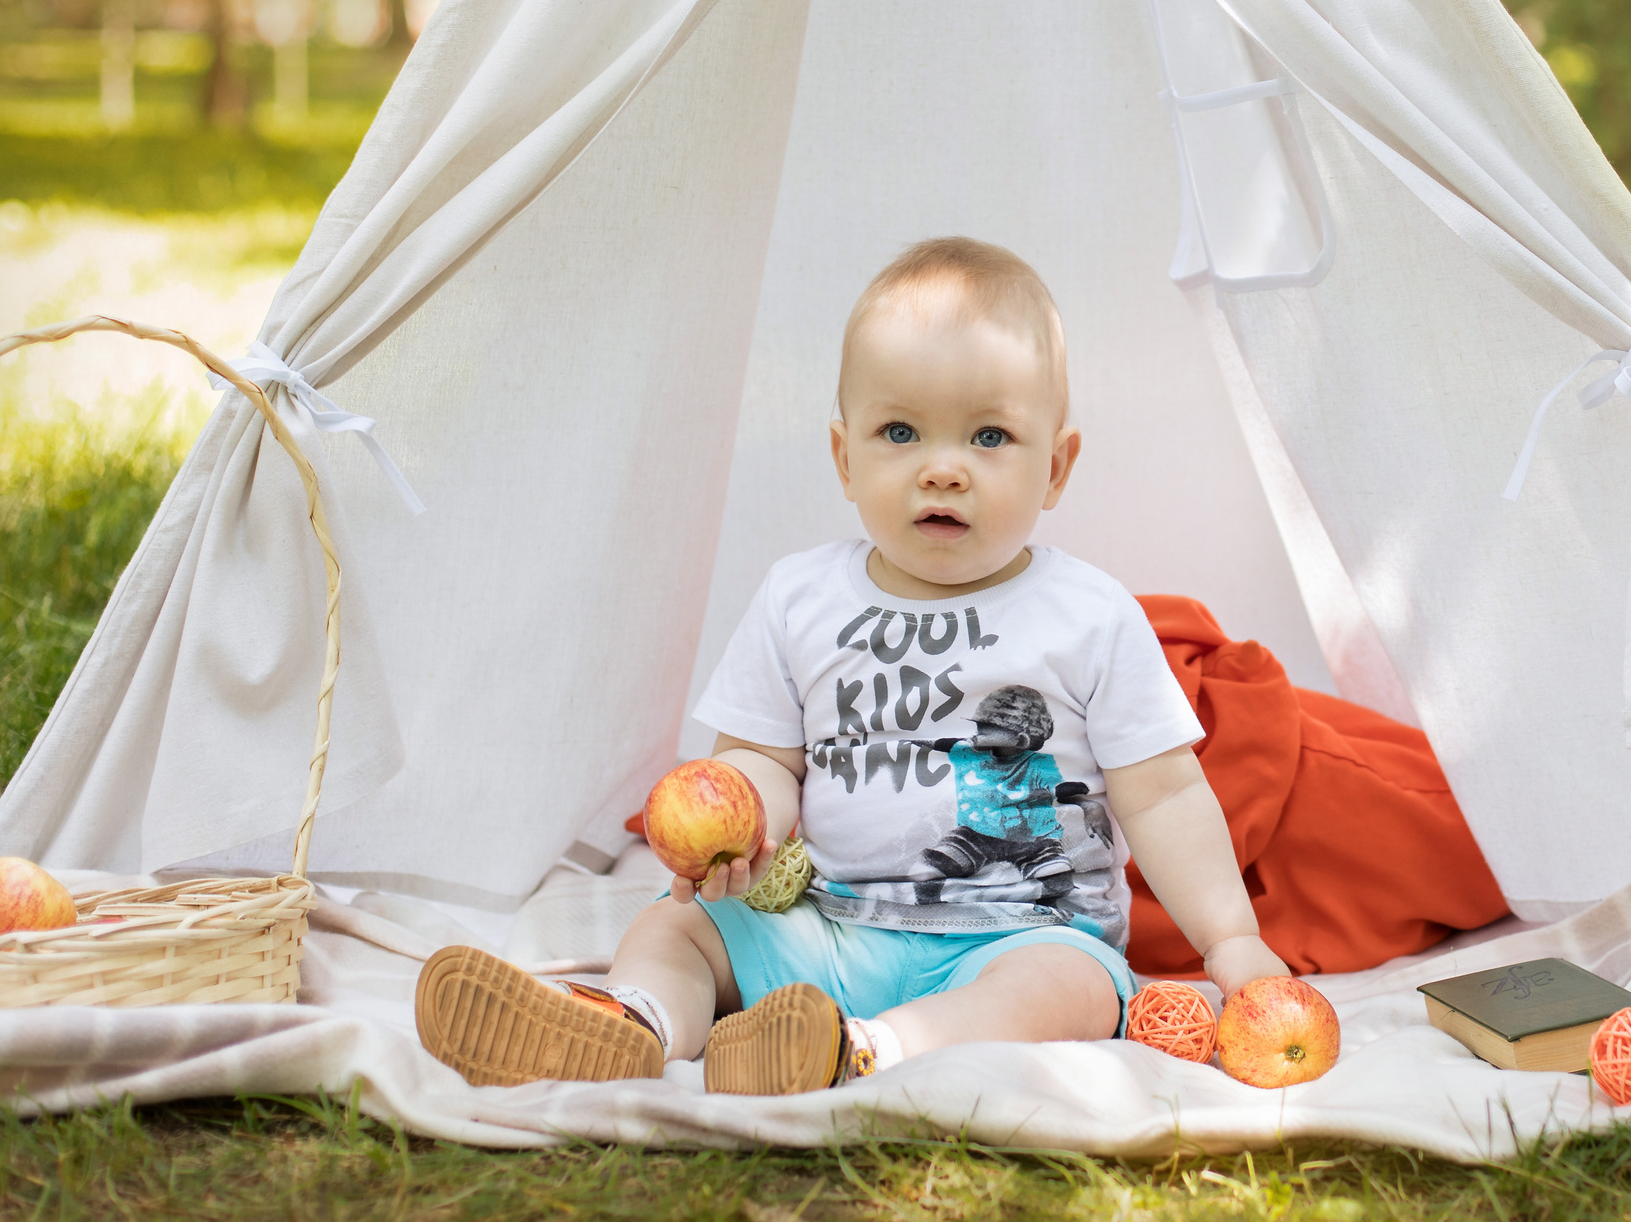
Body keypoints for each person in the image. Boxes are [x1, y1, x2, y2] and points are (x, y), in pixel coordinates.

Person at [415, 237, 1291, 1093]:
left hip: (1022, 935)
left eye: (989, 436)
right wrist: (744, 820)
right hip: (830, 929)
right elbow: (761, 756)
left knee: (1061, 993)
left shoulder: (1092, 615)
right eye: (900, 431)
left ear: (1055, 466)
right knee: (679, 925)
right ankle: (632, 1023)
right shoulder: (802, 598)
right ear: (845, 456)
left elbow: (1165, 792)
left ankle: (865, 1051)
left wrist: (1231, 942)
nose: (942, 469)